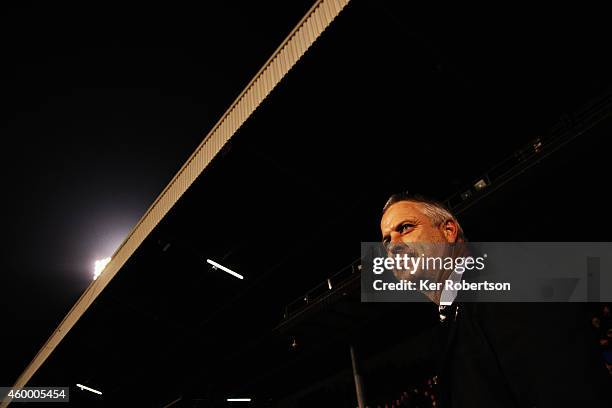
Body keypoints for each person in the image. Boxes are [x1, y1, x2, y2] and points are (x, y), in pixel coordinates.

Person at [379, 192, 612, 407]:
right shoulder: (455, 320)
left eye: (406, 228)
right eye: (387, 240)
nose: (394, 246)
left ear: (449, 231)